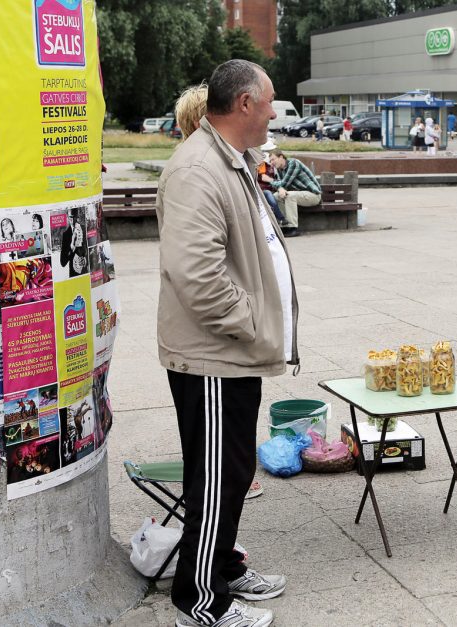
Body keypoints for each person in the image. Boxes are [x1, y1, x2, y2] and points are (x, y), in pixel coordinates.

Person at [157, 59, 294, 627]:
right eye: (269, 102)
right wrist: (255, 325)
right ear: (243, 105)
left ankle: (224, 565)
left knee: (233, 471)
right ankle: (199, 598)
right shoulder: (198, 168)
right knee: (215, 476)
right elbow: (199, 276)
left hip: (234, 352)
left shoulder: (231, 158)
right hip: (215, 352)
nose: (273, 112)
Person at [269, 149, 321, 238]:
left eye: (273, 159)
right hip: (300, 195)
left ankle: (292, 228)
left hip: (313, 195)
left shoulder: (293, 163)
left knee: (289, 196)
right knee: (276, 196)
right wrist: (281, 188)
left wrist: (270, 180)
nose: (271, 163)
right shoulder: (280, 170)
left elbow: (284, 183)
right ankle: (284, 225)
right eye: (270, 161)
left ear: (281, 157)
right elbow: (281, 185)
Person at [60, 209, 88, 276]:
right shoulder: (65, 235)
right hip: (73, 274)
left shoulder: (84, 229)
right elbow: (63, 262)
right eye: (70, 217)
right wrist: (71, 249)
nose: (72, 220)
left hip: (85, 272)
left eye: (73, 217)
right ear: (67, 217)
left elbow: (91, 249)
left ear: (77, 217)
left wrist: (86, 258)